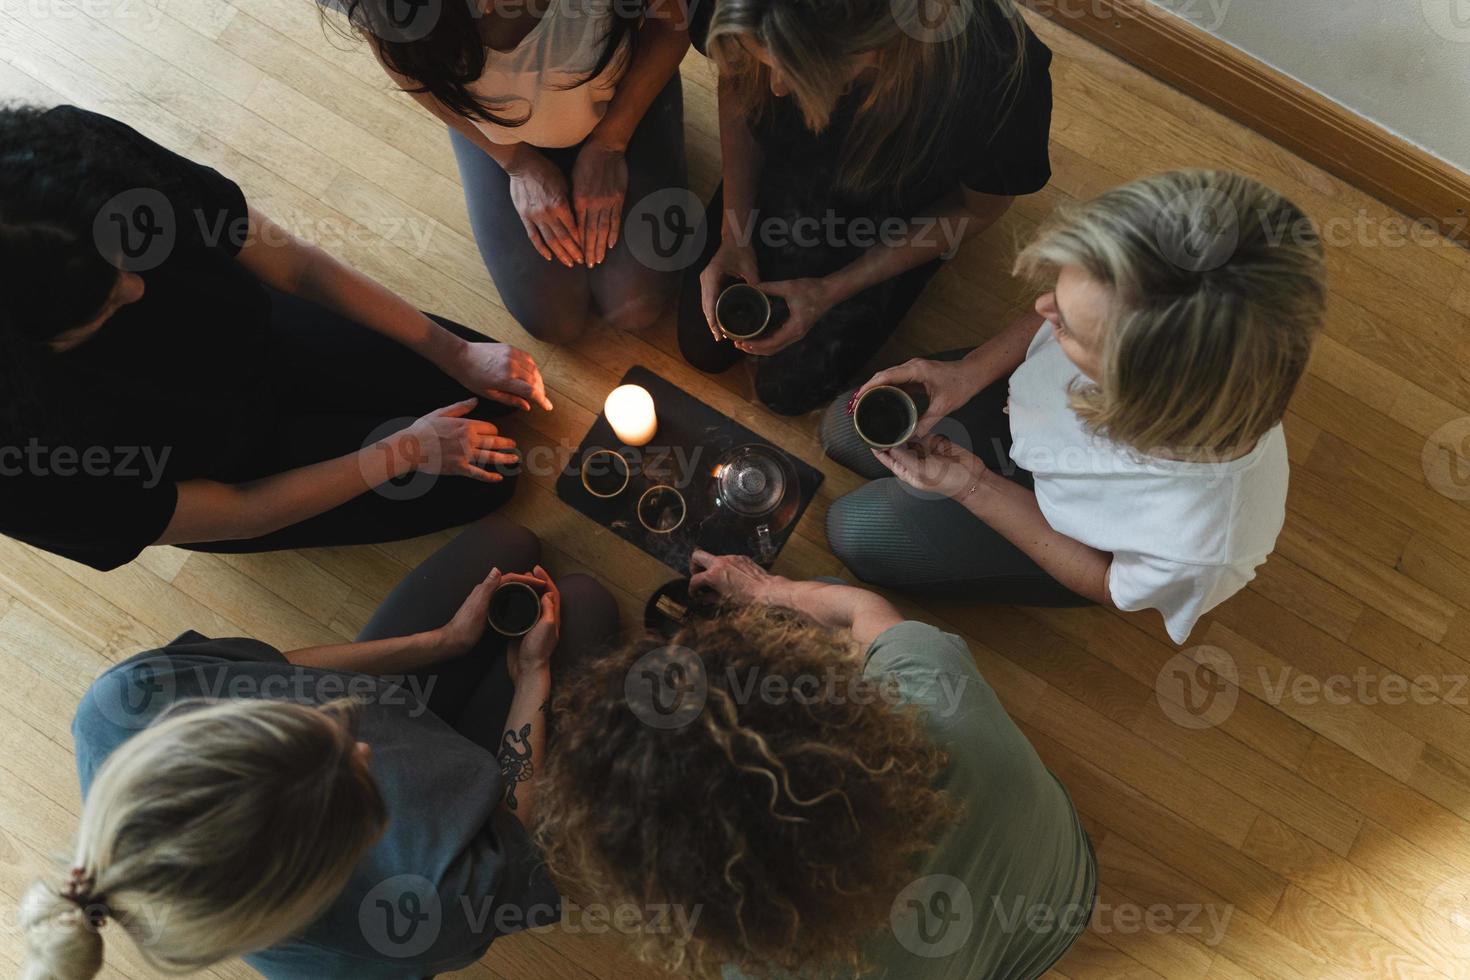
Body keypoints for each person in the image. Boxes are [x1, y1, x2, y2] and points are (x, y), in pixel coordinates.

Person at [21, 516, 621, 980]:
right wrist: (533, 678)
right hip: (480, 815)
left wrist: (437, 643)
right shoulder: (415, 917)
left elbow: (277, 670)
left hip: (417, 732)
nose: (362, 741)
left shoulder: (123, 700)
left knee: (506, 541)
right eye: (353, 780)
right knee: (588, 601)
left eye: (314, 723)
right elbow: (515, 834)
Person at [0, 104, 556, 572]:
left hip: (256, 339)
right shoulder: (26, 468)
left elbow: (296, 268)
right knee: (490, 479)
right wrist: (404, 449)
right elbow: (242, 509)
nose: (137, 289)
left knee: (489, 391)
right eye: (104, 300)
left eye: (126, 259)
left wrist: (453, 352)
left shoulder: (84, 167)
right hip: (227, 466)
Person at [821, 169, 1327, 644]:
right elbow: (1063, 306)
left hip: (1059, 529)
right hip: (1026, 420)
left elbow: (1108, 582)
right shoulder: (1143, 317)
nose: (1043, 311)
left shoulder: (1200, 545)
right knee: (842, 430)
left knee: (855, 532)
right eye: (1061, 287)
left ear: (1135, 393)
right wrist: (968, 372)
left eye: (1066, 325)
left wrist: (971, 486)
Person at [536, 551, 1096, 979]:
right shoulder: (939, 698)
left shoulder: (767, 961)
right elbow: (864, 611)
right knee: (823, 598)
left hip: (1000, 961)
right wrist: (769, 591)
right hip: (1067, 889)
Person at [677, 0, 1054, 415]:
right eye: (760, 57)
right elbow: (740, 90)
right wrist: (734, 231)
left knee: (786, 392)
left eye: (797, 69)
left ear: (875, 45)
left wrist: (830, 291)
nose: (777, 88)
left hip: (893, 215)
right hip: (784, 165)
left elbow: (977, 208)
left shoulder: (996, 81)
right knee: (704, 347)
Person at [337, 0, 690, 344]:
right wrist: (516, 161)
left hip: (615, 94)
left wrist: (611, 141)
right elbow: (408, 65)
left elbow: (673, 24)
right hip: (495, 125)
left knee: (634, 305)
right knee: (554, 320)